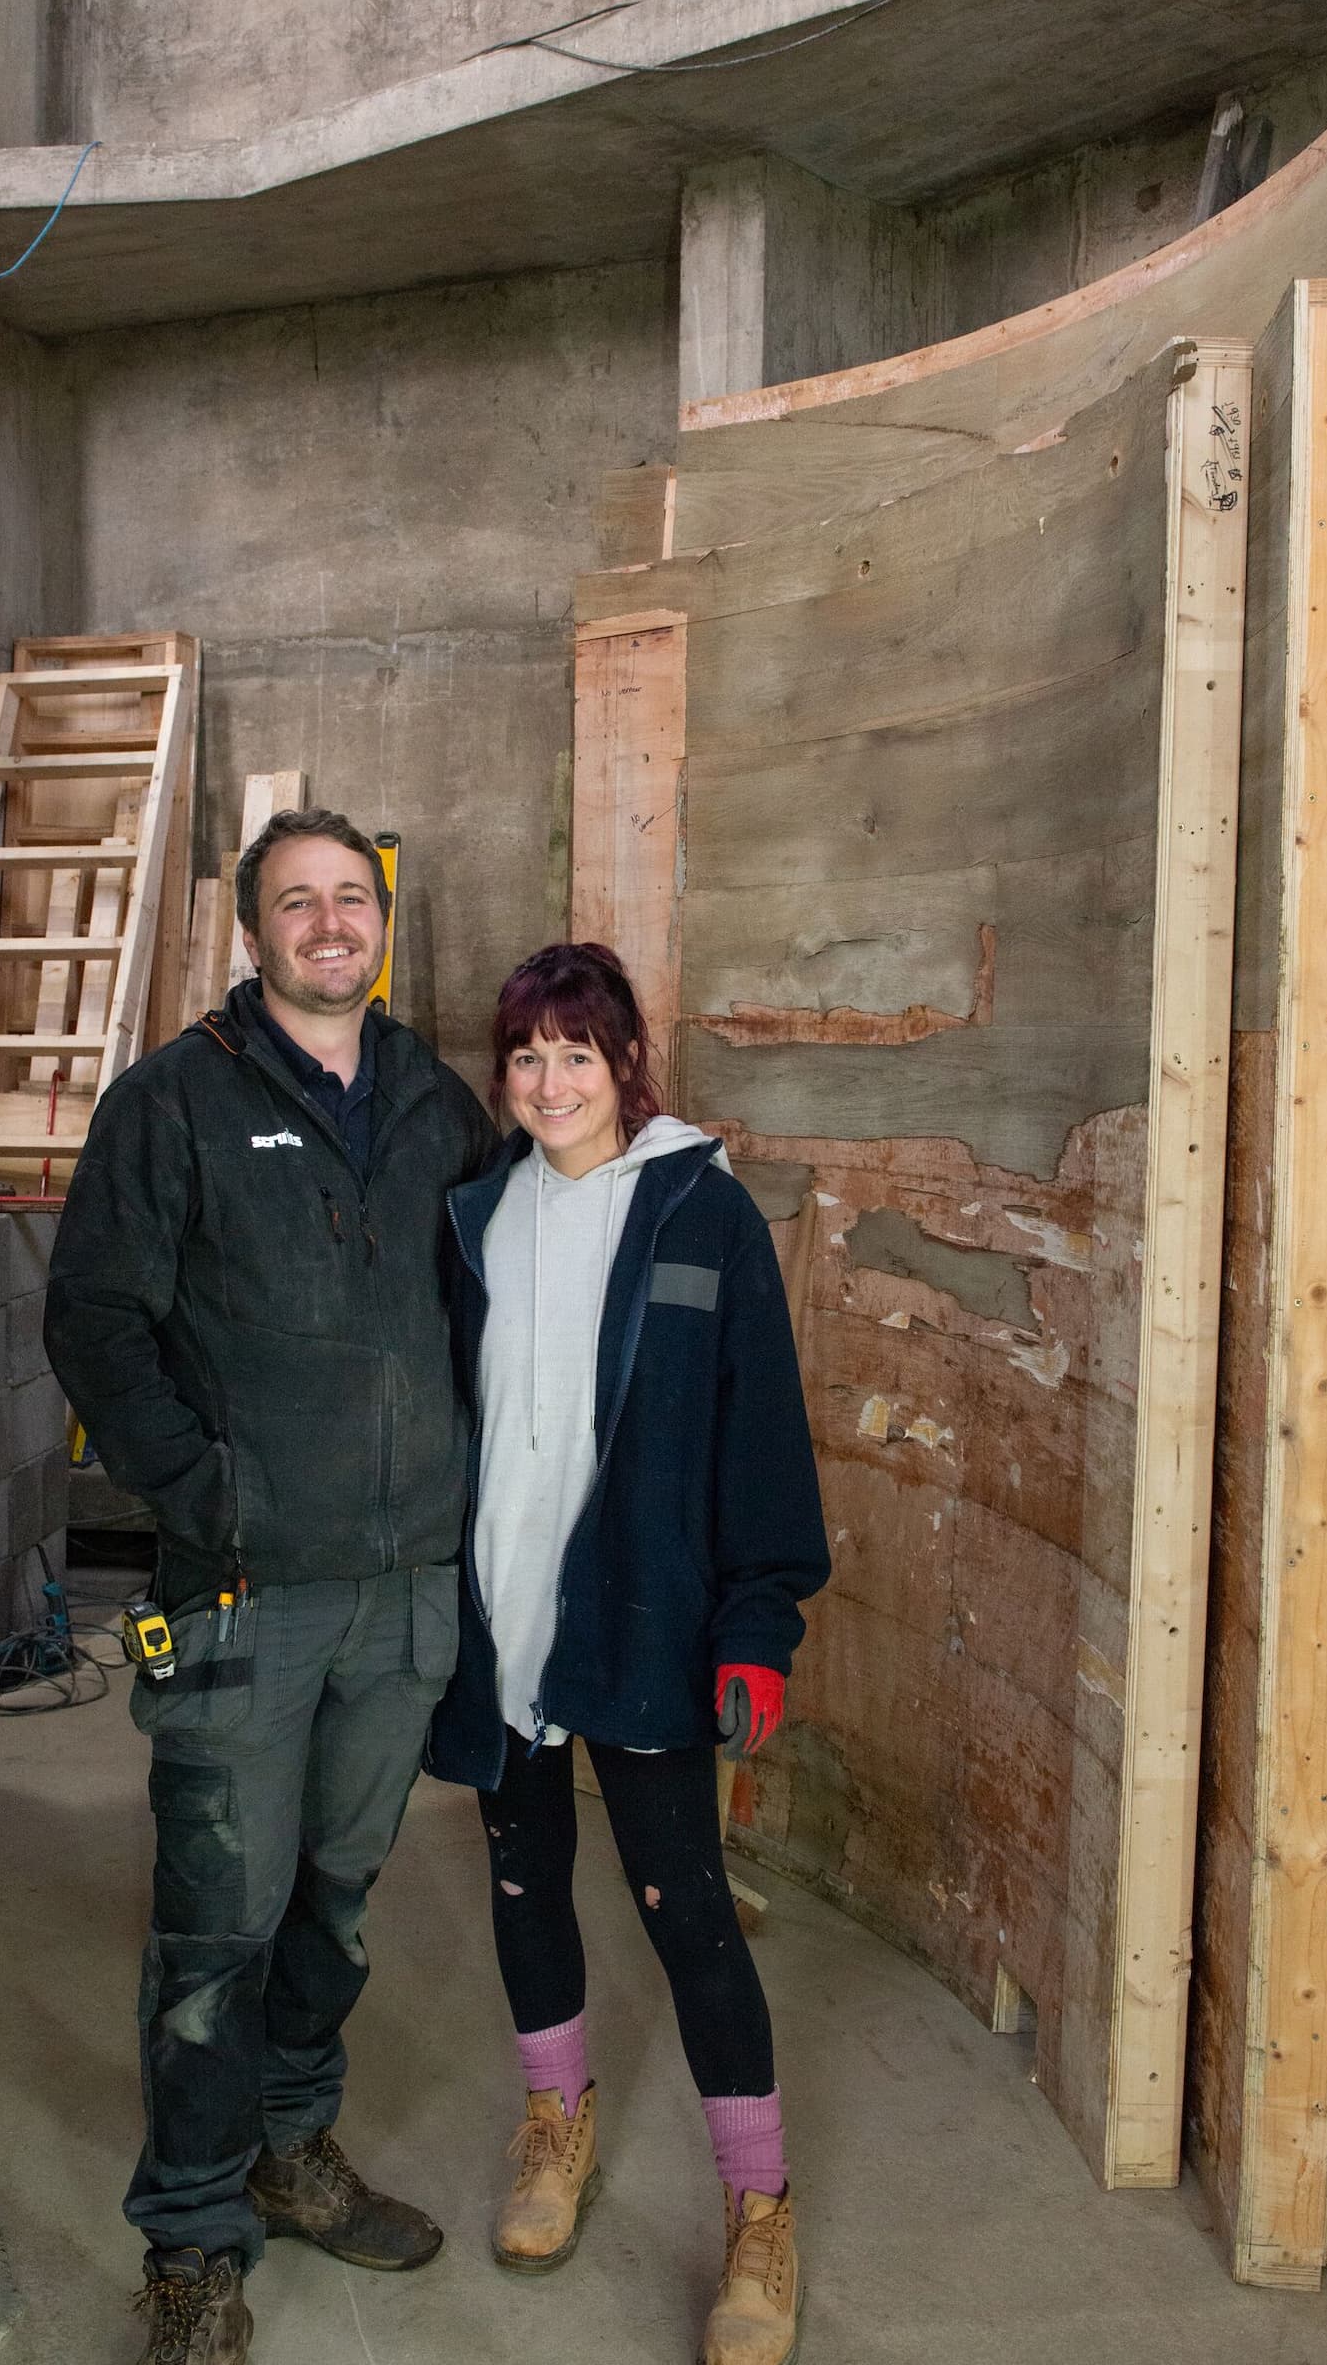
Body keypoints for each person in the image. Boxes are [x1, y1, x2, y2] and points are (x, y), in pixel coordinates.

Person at [45, 807, 497, 2365]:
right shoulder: (171, 1103)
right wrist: (210, 1496)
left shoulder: (441, 1103)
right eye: (294, 904)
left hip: (404, 1593)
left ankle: (294, 2149)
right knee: (212, 1927)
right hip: (244, 1597)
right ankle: (189, 2237)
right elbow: (95, 1317)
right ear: (251, 935)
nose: (327, 926)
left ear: (381, 922)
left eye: (348, 901)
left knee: (339, 1898)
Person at [428, 941, 830, 2365]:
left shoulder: (700, 1215)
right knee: (525, 1878)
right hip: (507, 1621)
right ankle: (559, 2122)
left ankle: (758, 2210)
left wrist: (761, 1620)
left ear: (625, 1065)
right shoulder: (477, 1217)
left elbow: (760, 1433)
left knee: (689, 1914)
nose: (548, 1080)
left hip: (645, 1625)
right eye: (526, 1054)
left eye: (575, 1053)